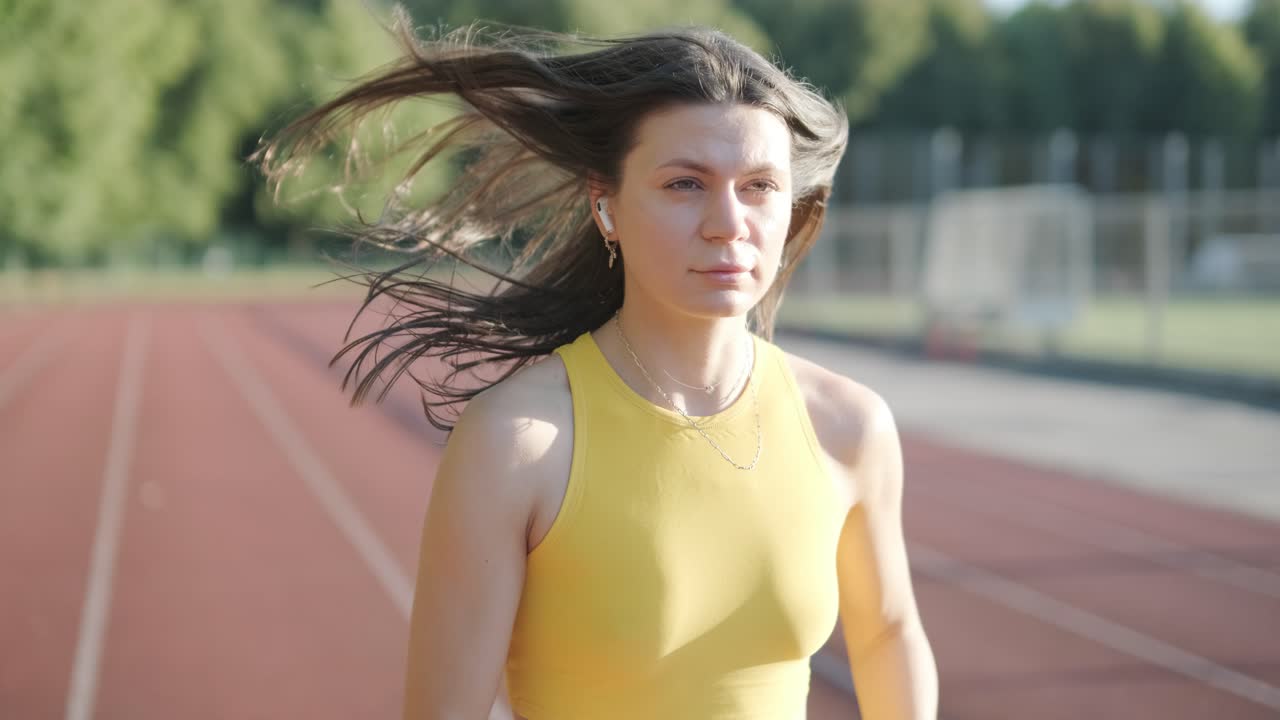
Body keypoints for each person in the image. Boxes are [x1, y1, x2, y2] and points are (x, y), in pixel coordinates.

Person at [254, 8, 938, 719]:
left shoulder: (849, 428)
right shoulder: (518, 440)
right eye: (685, 183)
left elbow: (890, 632)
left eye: (759, 186)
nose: (729, 221)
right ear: (605, 205)